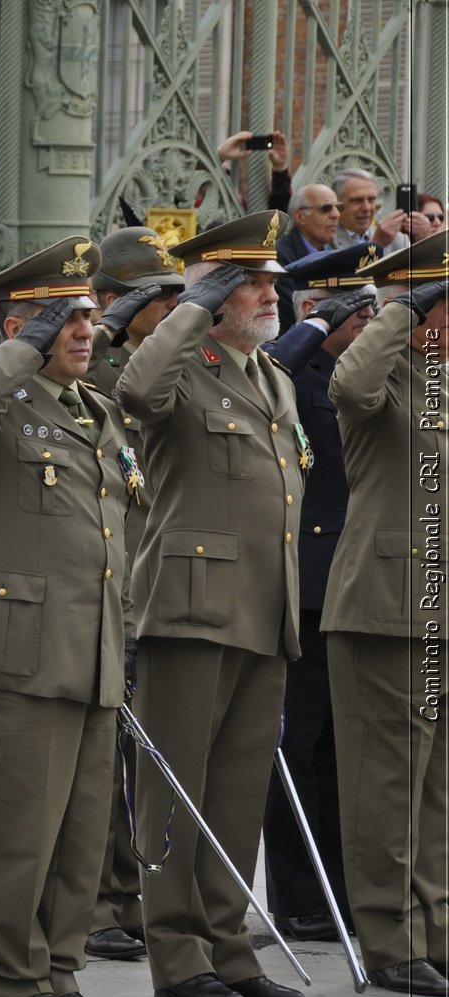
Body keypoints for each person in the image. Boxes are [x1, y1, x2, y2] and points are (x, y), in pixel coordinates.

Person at [0, 238, 129, 997]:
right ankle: (10, 978)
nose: (83, 329)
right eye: (63, 317)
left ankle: (59, 968)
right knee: (17, 833)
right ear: (22, 325)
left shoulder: (95, 410)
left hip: (90, 653)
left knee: (80, 840)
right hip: (16, 657)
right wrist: (23, 346)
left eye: (85, 314)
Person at [116, 211, 308, 997]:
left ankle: (230, 946)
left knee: (233, 795)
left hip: (267, 608)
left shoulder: (274, 376)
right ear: (215, 291)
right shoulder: (179, 363)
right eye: (250, 282)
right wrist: (193, 303)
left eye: (268, 280)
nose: (268, 294)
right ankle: (178, 953)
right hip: (191, 610)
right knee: (176, 791)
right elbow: (135, 391)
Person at [324, 233, 449, 995]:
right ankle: (390, 937)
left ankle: (435, 929)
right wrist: (404, 308)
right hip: (386, 607)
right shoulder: (384, 377)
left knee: (437, 792)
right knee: (388, 787)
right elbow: (348, 384)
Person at [256, 245, 378, 947]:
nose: (366, 321)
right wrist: (303, 331)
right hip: (303, 584)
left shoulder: (347, 376)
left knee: (336, 749)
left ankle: (338, 889)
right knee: (296, 749)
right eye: (353, 310)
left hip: (346, 582)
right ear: (316, 311)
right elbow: (270, 369)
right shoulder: (293, 373)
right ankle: (298, 895)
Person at [80, 226, 184, 964]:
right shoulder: (104, 363)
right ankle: (98, 902)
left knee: (132, 758)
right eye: (160, 295)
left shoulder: (166, 360)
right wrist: (111, 325)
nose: (176, 306)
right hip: (109, 578)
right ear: (115, 301)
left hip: (145, 578)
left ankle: (128, 893)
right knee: (102, 764)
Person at [276, 184, 340, 332]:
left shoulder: (336, 252)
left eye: (338, 207)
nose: (336, 214)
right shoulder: (280, 256)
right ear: (300, 217)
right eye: (326, 208)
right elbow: (295, 310)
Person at [330, 168, 427, 253]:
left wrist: (422, 240)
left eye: (372, 199)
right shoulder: (326, 240)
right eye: (357, 200)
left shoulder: (397, 240)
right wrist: (376, 244)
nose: (367, 208)